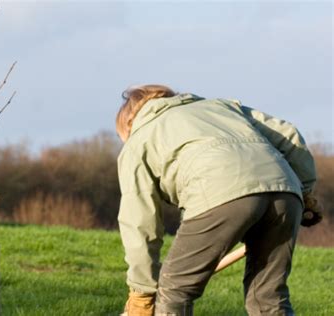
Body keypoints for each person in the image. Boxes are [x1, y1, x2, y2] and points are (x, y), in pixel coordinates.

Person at [115, 85, 322, 316]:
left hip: (218, 192)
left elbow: (139, 224)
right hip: (286, 190)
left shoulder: (139, 140)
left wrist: (142, 292)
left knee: (174, 290)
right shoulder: (219, 107)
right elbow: (289, 134)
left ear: (128, 125)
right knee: (268, 297)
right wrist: (304, 192)